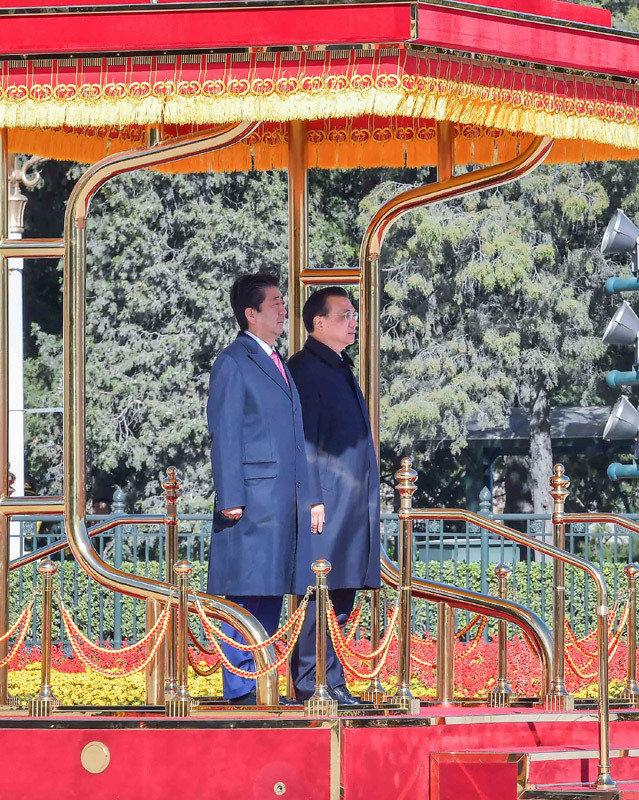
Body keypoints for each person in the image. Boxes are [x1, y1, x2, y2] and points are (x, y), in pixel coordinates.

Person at [206, 272, 323, 705]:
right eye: (274, 301)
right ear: (250, 313)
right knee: (244, 596)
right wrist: (231, 497)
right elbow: (226, 431)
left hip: (280, 502)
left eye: (282, 300)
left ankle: (263, 688)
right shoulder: (233, 361)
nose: (283, 307)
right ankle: (241, 691)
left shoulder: (277, 361)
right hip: (252, 502)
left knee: (269, 592)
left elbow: (297, 440)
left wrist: (308, 496)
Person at [288, 286, 380, 706]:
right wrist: (312, 497)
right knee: (318, 593)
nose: (353, 320)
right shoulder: (305, 368)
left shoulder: (339, 365)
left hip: (350, 501)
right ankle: (310, 683)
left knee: (342, 592)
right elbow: (302, 440)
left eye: (354, 314)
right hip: (324, 503)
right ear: (318, 323)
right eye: (344, 315)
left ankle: (332, 680)